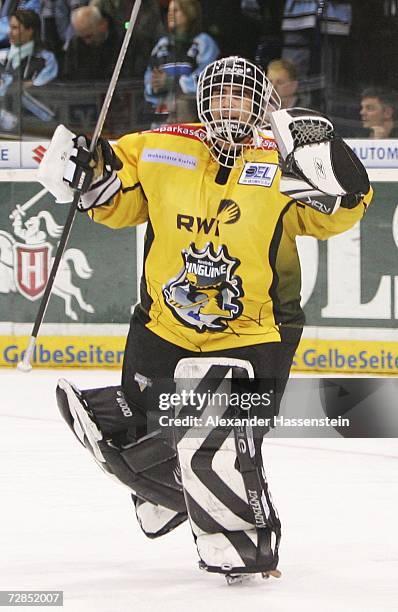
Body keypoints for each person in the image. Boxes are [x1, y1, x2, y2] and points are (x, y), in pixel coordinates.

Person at [41, 56, 372, 582]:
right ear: (202, 100)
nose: (231, 107)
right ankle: (173, 493)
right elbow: (116, 197)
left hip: (256, 332)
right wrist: (87, 172)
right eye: (221, 96)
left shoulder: (283, 160)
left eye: (243, 98)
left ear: (263, 104)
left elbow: (337, 211)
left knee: (224, 436)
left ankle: (245, 540)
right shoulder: (160, 145)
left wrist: (341, 174)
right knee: (146, 421)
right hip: (164, 326)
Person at [144, 0, 219, 123]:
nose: (170, 14)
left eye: (176, 10)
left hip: (193, 121)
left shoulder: (204, 43)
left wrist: (172, 82)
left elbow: (206, 81)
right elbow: (149, 82)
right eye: (169, 10)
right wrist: (154, 86)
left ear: (190, 13)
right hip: (161, 121)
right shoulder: (162, 45)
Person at [0, 9, 58, 129]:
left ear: (30, 30)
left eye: (15, 28)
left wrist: (9, 85)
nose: (10, 33)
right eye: (10, 28)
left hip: (35, 127)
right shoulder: (2, 56)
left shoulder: (46, 59)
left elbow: (35, 89)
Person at [62, 5, 126, 81]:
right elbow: (69, 76)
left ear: (103, 25)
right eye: (82, 37)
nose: (86, 42)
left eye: (89, 36)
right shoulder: (75, 44)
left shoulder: (125, 43)